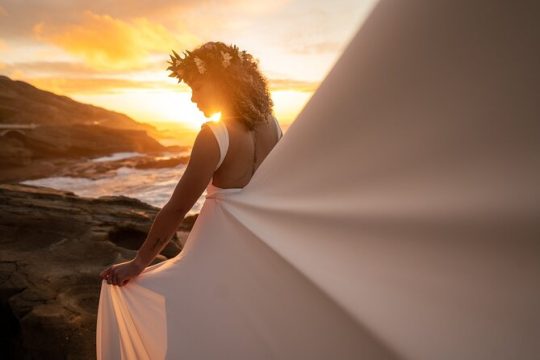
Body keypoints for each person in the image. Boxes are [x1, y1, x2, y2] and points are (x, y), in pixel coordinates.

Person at [98, 41, 282, 287]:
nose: (193, 98)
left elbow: (177, 208)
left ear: (222, 82)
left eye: (197, 87)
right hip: (260, 244)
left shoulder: (214, 135)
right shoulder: (273, 124)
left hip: (217, 248)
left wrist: (139, 262)